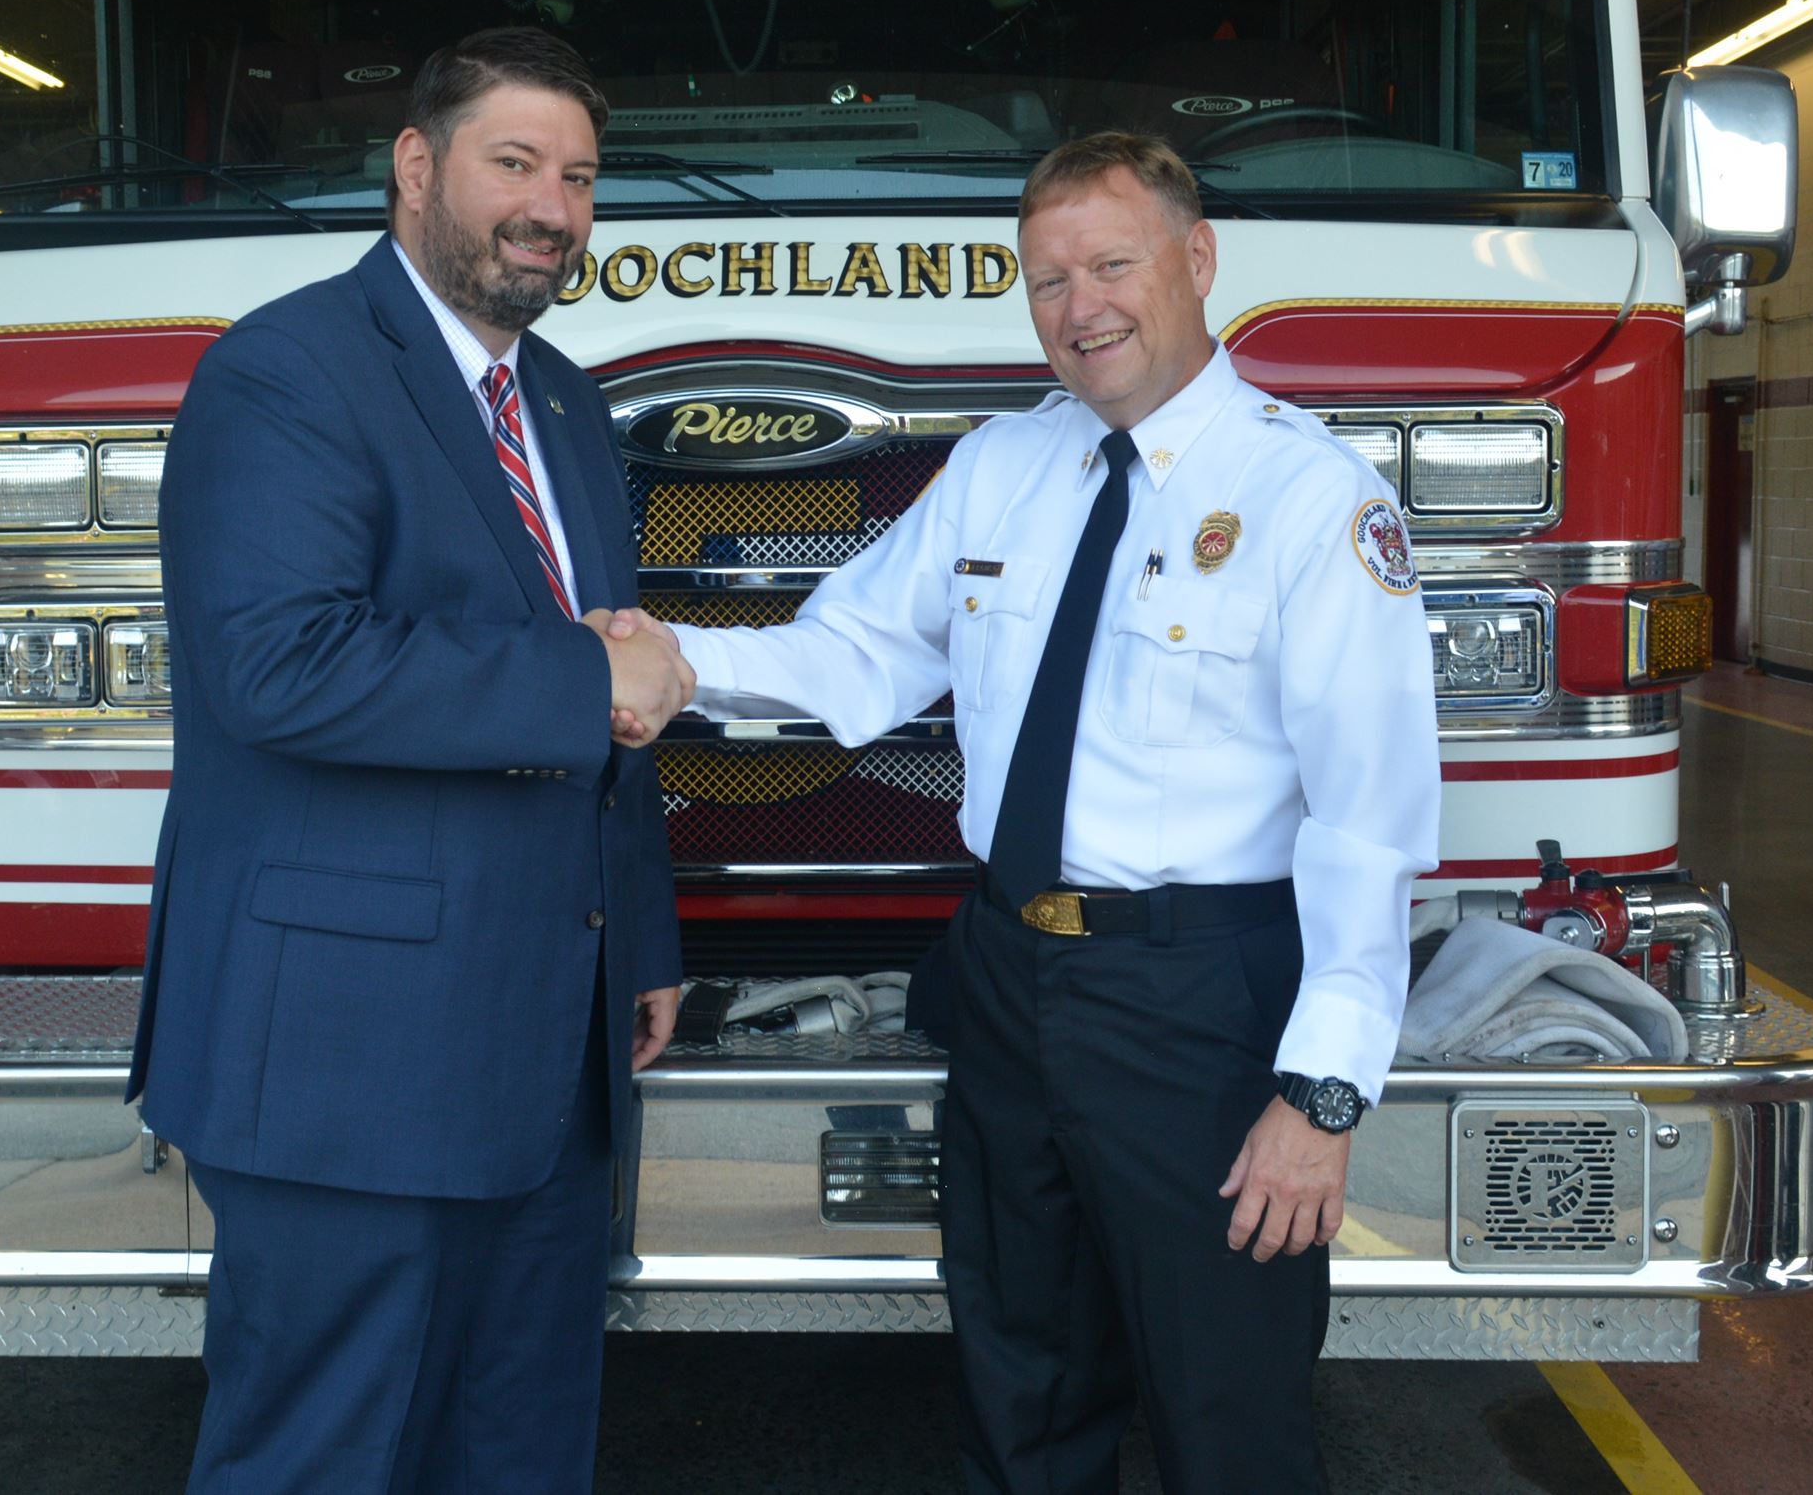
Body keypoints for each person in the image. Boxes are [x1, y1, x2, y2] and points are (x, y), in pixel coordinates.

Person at [612, 132, 1440, 1492]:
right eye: (1046, 278)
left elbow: (1369, 820)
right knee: (1018, 1391)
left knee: (1227, 1421)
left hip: (1202, 1007)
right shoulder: (1002, 468)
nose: (1080, 307)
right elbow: (854, 657)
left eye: (1111, 264)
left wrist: (1322, 1091)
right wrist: (675, 656)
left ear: (1198, 257)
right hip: (1008, 984)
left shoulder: (1312, 498)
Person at [130, 27, 697, 1495]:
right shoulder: (284, 372)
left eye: (578, 175)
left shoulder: (563, 402)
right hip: (349, 1060)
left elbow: (607, 718)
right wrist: (588, 673)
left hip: (547, 1053)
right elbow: (284, 666)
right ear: (415, 167)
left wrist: (638, 933)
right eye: (515, 162)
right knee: (321, 1458)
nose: (552, 207)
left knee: (516, 1454)